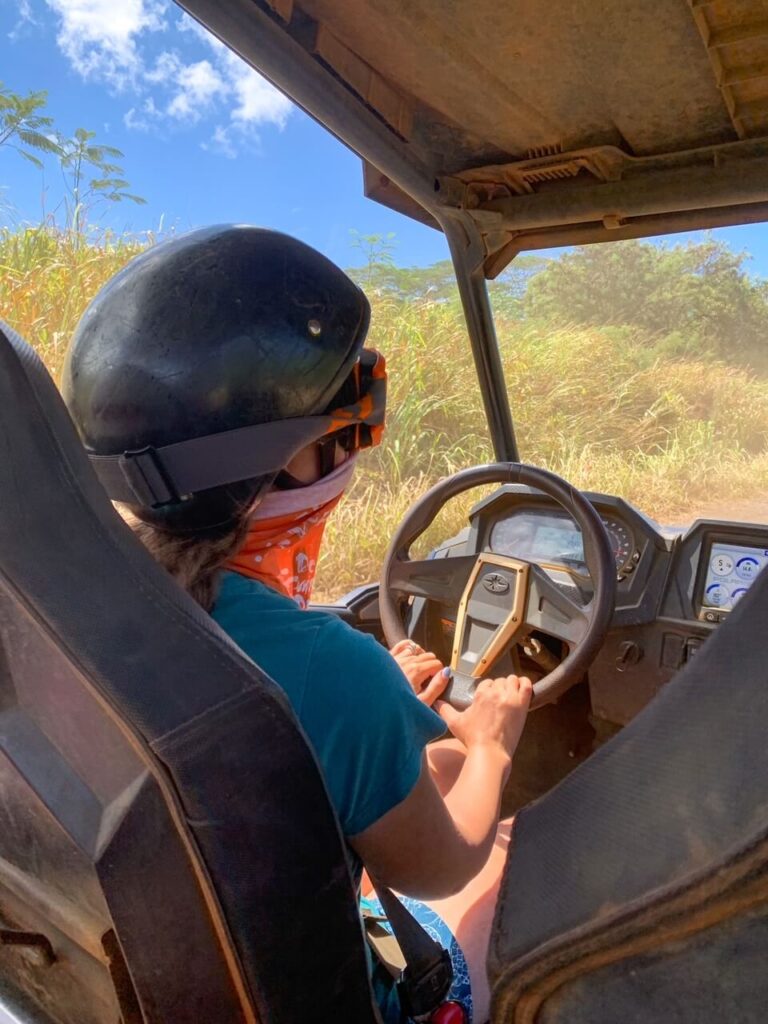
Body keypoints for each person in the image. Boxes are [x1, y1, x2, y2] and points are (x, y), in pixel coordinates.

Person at [62, 225, 532, 1023]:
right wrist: (493, 745)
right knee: (512, 847)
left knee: (440, 764)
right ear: (283, 457)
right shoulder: (328, 670)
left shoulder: (72, 602)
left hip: (144, 982)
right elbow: (445, 868)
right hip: (331, 997)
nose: (351, 456)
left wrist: (383, 699)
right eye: (340, 433)